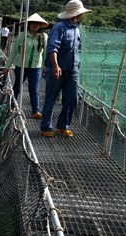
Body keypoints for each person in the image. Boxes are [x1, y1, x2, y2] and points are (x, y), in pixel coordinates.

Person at [40, 0, 91, 138]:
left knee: (72, 98)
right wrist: (55, 66)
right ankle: (46, 127)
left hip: (73, 69)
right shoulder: (59, 27)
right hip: (57, 69)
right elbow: (52, 48)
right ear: (77, 13)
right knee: (51, 97)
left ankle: (63, 125)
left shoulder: (76, 28)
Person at [3, 14, 49, 119]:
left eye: (37, 23)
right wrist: (7, 67)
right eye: (33, 23)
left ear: (40, 25)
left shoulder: (43, 37)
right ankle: (12, 105)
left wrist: (45, 68)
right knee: (17, 87)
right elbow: (14, 52)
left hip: (36, 67)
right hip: (21, 66)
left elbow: (45, 54)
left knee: (34, 89)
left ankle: (35, 111)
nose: (35, 25)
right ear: (28, 24)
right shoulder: (22, 36)